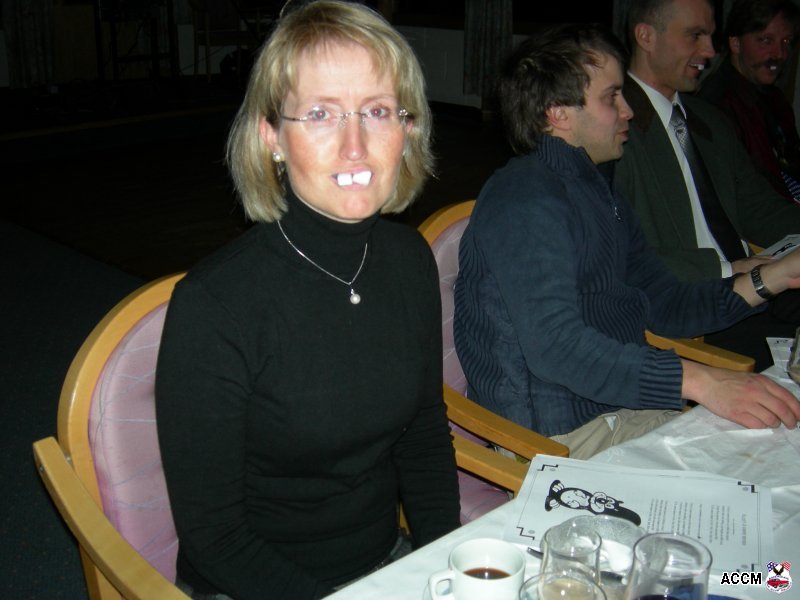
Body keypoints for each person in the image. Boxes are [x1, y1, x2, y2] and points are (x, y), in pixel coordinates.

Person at [155, 2, 461, 599]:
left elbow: (423, 434)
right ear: (271, 137)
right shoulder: (216, 306)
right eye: (321, 114)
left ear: (407, 130)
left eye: (377, 111)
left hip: (385, 564)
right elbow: (216, 538)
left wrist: (447, 568)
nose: (355, 145)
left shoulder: (408, 260)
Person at [453, 22, 800, 461]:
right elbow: (556, 348)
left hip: (624, 410)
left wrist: (775, 277)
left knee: (776, 450)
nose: (628, 111)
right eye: (611, 97)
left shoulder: (600, 191)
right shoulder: (524, 197)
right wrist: (700, 380)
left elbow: (665, 303)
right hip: (558, 437)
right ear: (558, 113)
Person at [615, 0, 800, 369]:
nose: (710, 51)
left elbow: (758, 206)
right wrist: (728, 270)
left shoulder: (708, 121)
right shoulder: (615, 134)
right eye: (695, 36)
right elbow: (620, 255)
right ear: (646, 37)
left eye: (711, 36)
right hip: (695, 310)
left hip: (758, 289)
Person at [699, 0, 800, 204]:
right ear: (736, 43)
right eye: (766, 40)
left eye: (786, 42)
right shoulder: (717, 107)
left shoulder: (774, 98)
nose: (780, 54)